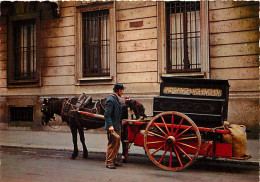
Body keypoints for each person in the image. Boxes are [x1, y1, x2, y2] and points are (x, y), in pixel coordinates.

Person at [104, 83, 125, 169]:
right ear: (119, 90)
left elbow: (118, 107)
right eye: (122, 90)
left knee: (116, 144)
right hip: (113, 126)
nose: (123, 92)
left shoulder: (116, 99)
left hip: (117, 125)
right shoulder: (110, 100)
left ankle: (113, 160)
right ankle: (109, 162)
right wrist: (110, 126)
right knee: (112, 144)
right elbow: (107, 114)